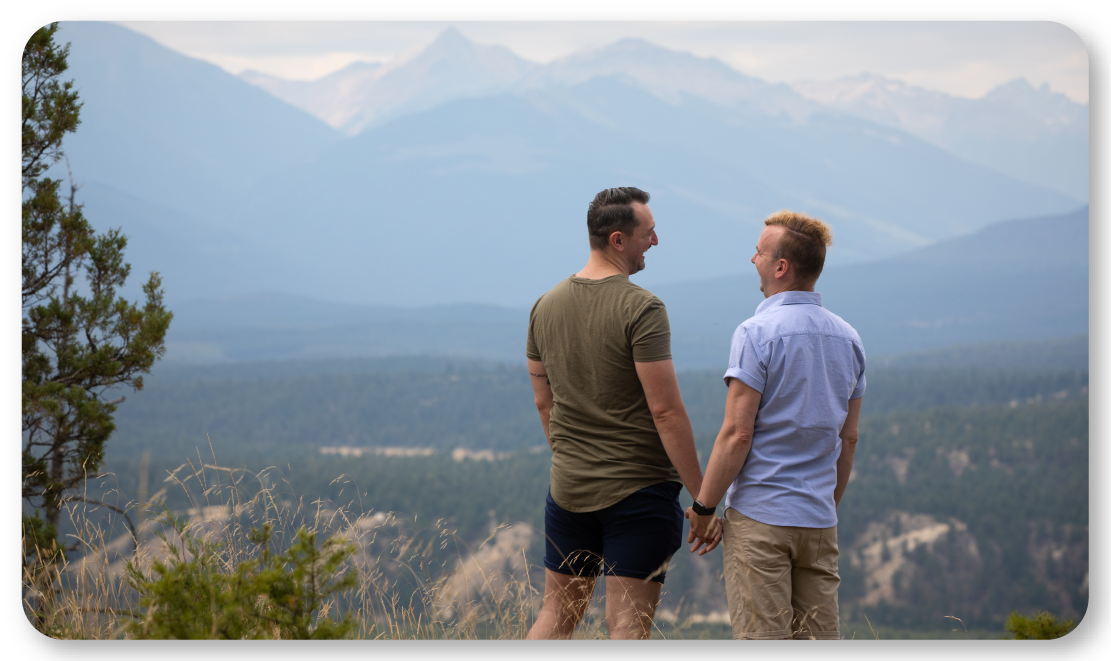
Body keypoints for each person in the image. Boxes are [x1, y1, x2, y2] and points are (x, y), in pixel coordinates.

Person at [524, 187, 721, 640]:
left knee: (556, 616)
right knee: (628, 624)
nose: (655, 242)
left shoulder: (544, 306)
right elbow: (666, 411)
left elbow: (543, 402)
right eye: (648, 234)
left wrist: (574, 459)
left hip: (568, 490)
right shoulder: (641, 308)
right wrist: (703, 501)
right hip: (638, 495)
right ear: (618, 239)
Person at [686, 210, 866, 641]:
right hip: (820, 519)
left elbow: (737, 433)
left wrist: (704, 507)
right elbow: (849, 437)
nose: (753, 259)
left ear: (781, 267)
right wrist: (827, 504)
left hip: (762, 517)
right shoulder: (850, 339)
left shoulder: (756, 333)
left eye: (759, 252)